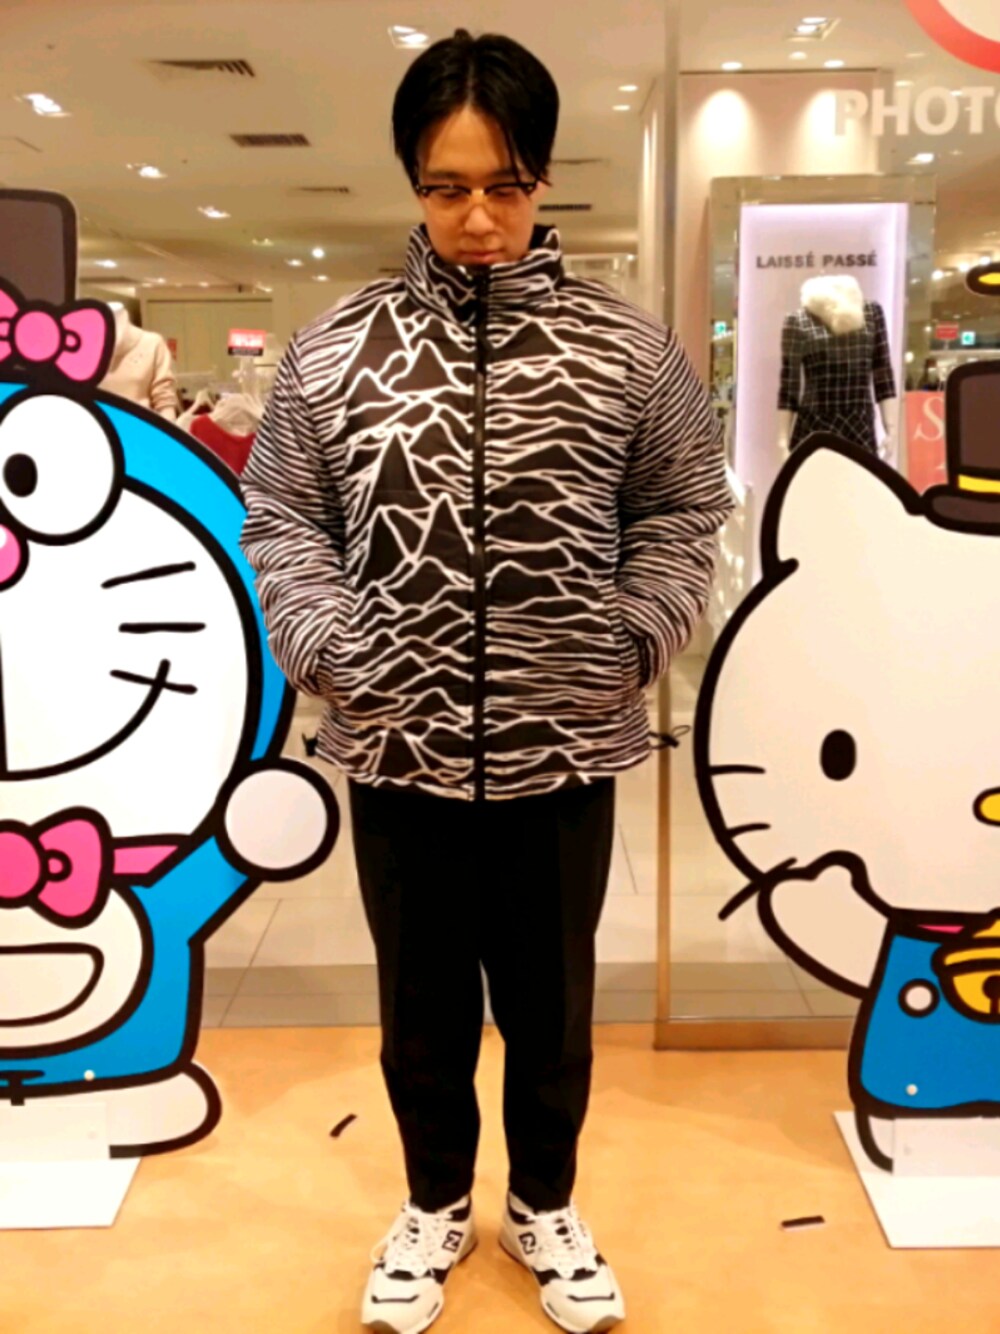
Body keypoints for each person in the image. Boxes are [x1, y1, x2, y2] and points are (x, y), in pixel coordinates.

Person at [240, 28, 732, 1334]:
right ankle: (434, 1201)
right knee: (420, 1010)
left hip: (565, 747)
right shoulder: (335, 352)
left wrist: (631, 639)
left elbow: (685, 508)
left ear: (542, 177)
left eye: (504, 186)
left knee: (552, 1007)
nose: (476, 217)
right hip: (396, 748)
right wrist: (333, 650)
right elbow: (284, 519)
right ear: (413, 178)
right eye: (447, 186)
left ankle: (546, 1203)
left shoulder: (627, 350)